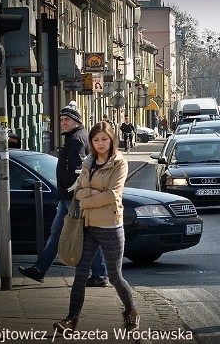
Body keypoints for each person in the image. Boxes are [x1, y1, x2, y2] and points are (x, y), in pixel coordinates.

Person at [53, 121, 139, 333]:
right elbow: (78, 191)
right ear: (91, 142)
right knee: (80, 275)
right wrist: (90, 195)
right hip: (88, 226)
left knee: (115, 276)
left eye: (104, 139)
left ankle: (131, 312)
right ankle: (71, 320)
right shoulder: (88, 162)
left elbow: (113, 195)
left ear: (111, 140)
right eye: (96, 140)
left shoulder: (119, 163)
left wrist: (88, 197)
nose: (100, 144)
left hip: (110, 227)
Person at [18, 102, 109, 287]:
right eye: (61, 119)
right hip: (67, 198)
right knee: (57, 233)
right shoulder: (74, 137)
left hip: (73, 198)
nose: (63, 123)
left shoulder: (77, 139)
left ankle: (100, 274)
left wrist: (72, 191)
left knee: (84, 234)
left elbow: (78, 171)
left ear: (76, 121)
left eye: (67, 119)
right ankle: (39, 269)